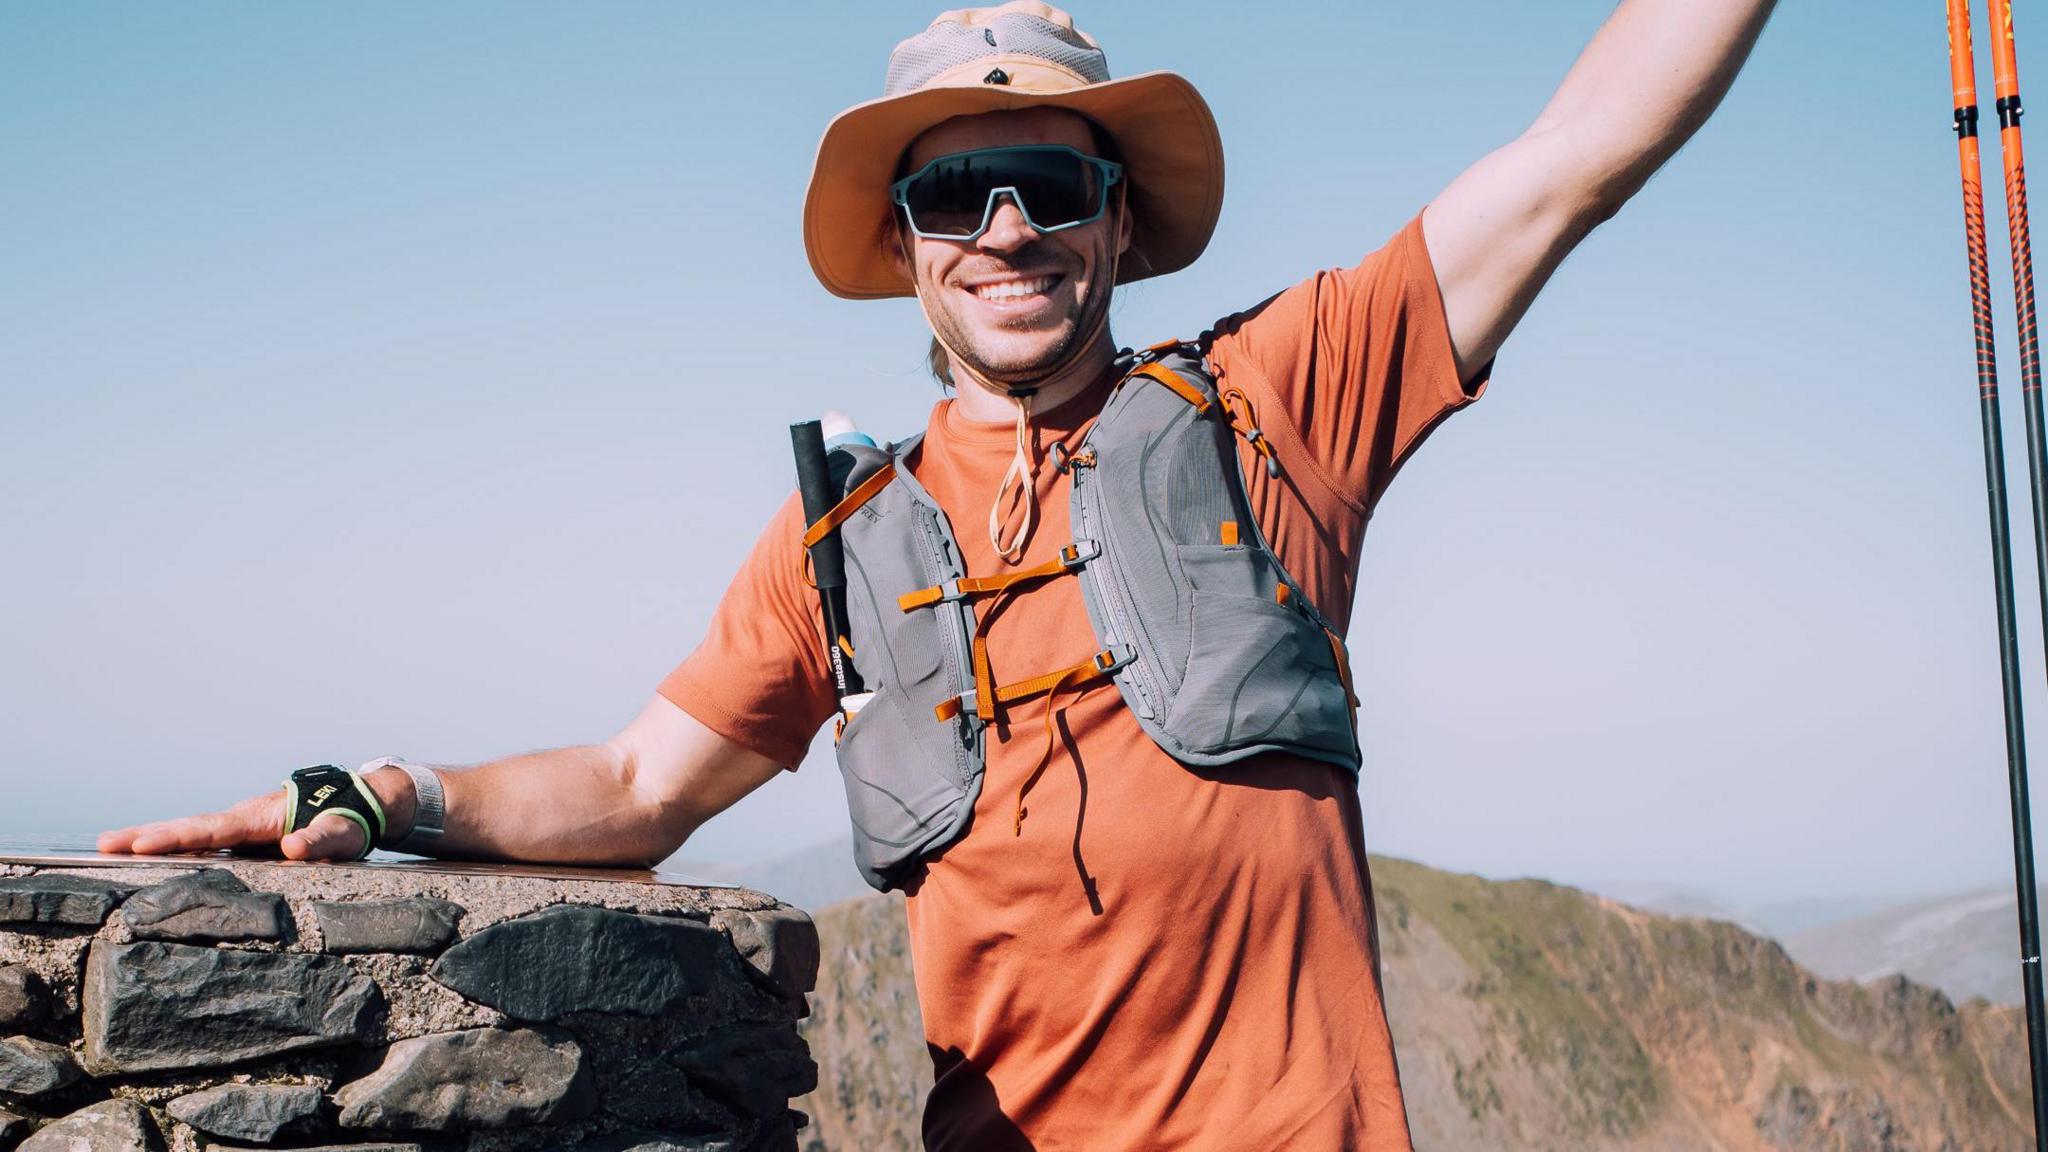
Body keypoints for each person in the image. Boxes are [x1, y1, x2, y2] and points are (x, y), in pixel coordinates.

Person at [101, 3, 1778, 1147]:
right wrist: (374, 789)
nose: (1006, 228)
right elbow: (634, 784)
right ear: (907, 250)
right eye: (951, 198)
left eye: (1048, 183)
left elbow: (1577, 155)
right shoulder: (845, 539)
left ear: (1116, 220)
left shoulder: (1280, 400)